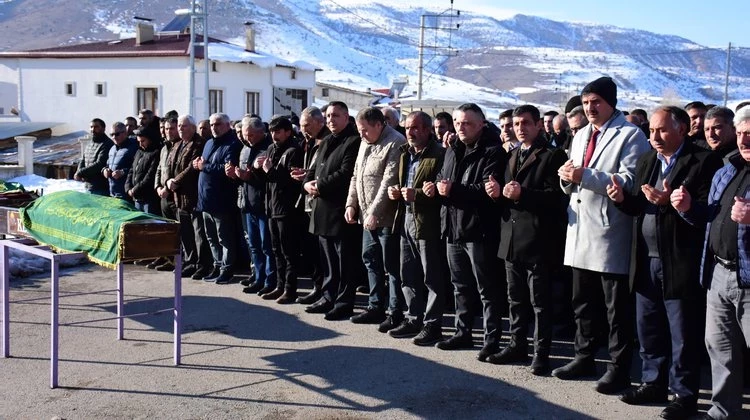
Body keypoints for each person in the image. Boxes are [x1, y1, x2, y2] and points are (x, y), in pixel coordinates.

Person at [607, 106, 722, 419]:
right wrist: (621, 199)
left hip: (679, 259)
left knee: (682, 332)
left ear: (682, 130)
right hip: (645, 258)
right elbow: (640, 206)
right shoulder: (648, 160)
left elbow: (706, 213)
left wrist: (672, 205)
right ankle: (652, 382)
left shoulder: (703, 161)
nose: (654, 137)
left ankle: (683, 395)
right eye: (652, 131)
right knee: (648, 326)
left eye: (661, 131)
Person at [555, 76, 650, 394]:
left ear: (611, 102)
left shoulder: (631, 135)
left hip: (609, 232)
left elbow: (629, 181)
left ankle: (619, 368)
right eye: (585, 102)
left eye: (596, 102)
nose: (589, 108)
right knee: (582, 302)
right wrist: (567, 178)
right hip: (580, 228)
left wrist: (585, 176)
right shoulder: (580, 134)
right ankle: (583, 357)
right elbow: (572, 173)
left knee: (615, 308)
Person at [673, 105, 750, 420]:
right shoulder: (727, 169)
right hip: (719, 272)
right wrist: (690, 208)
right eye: (743, 134)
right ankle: (723, 411)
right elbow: (711, 216)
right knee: (721, 349)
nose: (744, 141)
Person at [484, 104, 568, 376]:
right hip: (511, 238)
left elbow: (557, 198)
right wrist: (496, 193)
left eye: (526, 123)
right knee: (515, 299)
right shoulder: (511, 154)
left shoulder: (552, 155)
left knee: (540, 303)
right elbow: (508, 195)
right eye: (516, 123)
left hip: (537, 240)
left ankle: (541, 354)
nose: (520, 128)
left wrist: (523, 194)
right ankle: (516, 345)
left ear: (538, 125)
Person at [426, 103, 506, 362]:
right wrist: (435, 187)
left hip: (479, 230)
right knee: (460, 286)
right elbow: (443, 177)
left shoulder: (493, 152)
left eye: (468, 123)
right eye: (458, 123)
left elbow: (488, 190)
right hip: (453, 227)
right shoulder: (452, 150)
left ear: (482, 124)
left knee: (487, 289)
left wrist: (453, 190)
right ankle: (463, 332)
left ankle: (492, 339)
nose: (461, 127)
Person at [387, 111, 447, 346]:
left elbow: (439, 191)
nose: (410, 133)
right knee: (408, 273)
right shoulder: (405, 155)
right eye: (407, 128)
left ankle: (433, 325)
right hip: (406, 218)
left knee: (431, 276)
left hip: (428, 222)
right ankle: (413, 318)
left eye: (415, 128)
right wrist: (397, 192)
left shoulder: (439, 154)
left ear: (426, 129)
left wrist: (418, 195)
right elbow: (405, 185)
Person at [345, 107, 406, 331]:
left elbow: (389, 180)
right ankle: (375, 306)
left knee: (391, 266)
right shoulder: (365, 142)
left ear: (379, 125)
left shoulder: (395, 142)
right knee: (370, 260)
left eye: (365, 130)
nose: (361, 135)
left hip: (386, 218)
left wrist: (375, 212)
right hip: (365, 214)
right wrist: (351, 204)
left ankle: (395, 311)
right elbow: (356, 175)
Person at [302, 101, 362, 320]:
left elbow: (346, 174)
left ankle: (344, 302)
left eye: (336, 116)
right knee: (327, 260)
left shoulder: (353, 141)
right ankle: (328, 297)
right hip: (321, 209)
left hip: (339, 210)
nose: (330, 120)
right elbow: (314, 168)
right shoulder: (326, 140)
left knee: (344, 261)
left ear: (346, 117)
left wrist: (319, 186)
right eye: (328, 116)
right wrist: (307, 183)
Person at [256, 116, 304, 304]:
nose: (274, 135)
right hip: (271, 207)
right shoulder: (270, 149)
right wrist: (258, 169)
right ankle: (279, 285)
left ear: (288, 132)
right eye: (272, 131)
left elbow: (291, 181)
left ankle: (290, 290)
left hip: (286, 208)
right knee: (276, 249)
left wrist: (269, 171)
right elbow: (266, 181)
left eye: (278, 131)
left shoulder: (293, 151)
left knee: (288, 251)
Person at [192, 113, 241, 284]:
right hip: (205, 199)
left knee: (224, 238)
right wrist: (199, 164)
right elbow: (204, 165)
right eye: (212, 124)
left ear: (228, 125)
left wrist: (204, 166)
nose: (214, 127)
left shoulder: (233, 143)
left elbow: (227, 169)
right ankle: (217, 264)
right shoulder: (209, 143)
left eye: (218, 124)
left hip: (222, 200)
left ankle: (227, 269)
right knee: (211, 237)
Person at [232, 116, 277, 295]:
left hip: (263, 204)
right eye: (244, 135)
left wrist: (249, 176)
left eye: (251, 135)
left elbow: (268, 178)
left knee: (267, 246)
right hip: (248, 203)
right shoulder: (245, 148)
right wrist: (236, 175)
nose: (247, 138)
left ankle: (270, 279)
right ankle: (258, 277)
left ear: (261, 132)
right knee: (254, 245)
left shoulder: (268, 148)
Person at [293, 106, 330, 304]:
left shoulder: (325, 141)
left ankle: (323, 290)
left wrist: (309, 177)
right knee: (311, 251)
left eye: (306, 125)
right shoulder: (308, 141)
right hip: (308, 200)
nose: (303, 129)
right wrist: (305, 175)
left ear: (319, 122)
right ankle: (317, 287)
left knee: (321, 252)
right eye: (301, 125)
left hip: (320, 201)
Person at [167, 115, 211, 279]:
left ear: (193, 127)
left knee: (198, 233)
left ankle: (201, 264)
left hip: (193, 195)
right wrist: (168, 181)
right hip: (178, 196)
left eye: (184, 126)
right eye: (179, 125)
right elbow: (170, 167)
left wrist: (176, 181)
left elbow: (192, 167)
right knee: (185, 233)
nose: (180, 128)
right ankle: (190, 261)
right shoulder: (177, 144)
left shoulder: (199, 144)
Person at [125, 126, 161, 214]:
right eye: (139, 141)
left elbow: (150, 176)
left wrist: (134, 190)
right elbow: (131, 171)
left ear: (149, 139)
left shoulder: (155, 153)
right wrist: (128, 188)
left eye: (143, 141)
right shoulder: (138, 152)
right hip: (136, 198)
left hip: (148, 199)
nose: (140, 144)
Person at [75, 118, 113, 196]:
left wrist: (81, 172)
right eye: (91, 127)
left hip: (101, 188)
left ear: (103, 128)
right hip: (88, 186)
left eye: (96, 127)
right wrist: (78, 172)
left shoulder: (107, 143)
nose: (93, 129)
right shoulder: (90, 143)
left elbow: (99, 164)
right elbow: (83, 159)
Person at [103, 121, 137, 201]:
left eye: (117, 134)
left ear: (125, 133)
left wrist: (122, 172)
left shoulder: (134, 147)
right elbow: (107, 165)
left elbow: (139, 169)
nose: (114, 137)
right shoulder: (112, 149)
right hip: (113, 194)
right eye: (112, 135)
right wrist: (104, 170)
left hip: (127, 195)